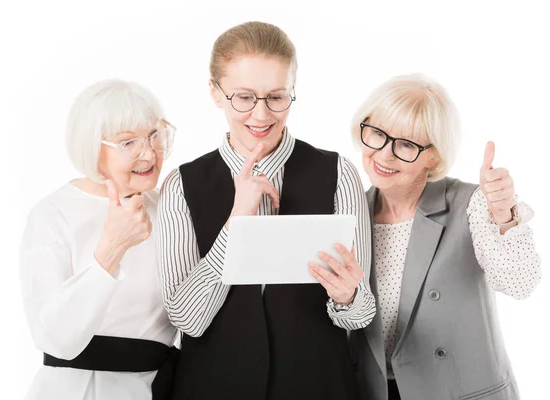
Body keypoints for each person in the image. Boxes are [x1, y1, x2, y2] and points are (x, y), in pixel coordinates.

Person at [157, 21, 375, 400]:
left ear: (293, 91)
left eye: (276, 97)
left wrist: (347, 297)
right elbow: (188, 319)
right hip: (212, 388)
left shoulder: (339, 173)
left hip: (319, 386)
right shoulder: (180, 185)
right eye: (244, 97)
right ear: (215, 93)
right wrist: (236, 222)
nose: (261, 116)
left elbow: (361, 315)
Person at [344, 73, 541, 400]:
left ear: (434, 156)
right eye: (377, 133)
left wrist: (505, 216)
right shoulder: (350, 213)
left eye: (406, 144)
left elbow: (520, 283)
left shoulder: (472, 204)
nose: (384, 154)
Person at [20, 79, 178, 400]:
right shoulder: (52, 215)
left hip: (159, 388)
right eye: (128, 142)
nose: (148, 153)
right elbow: (56, 339)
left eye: (154, 135)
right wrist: (111, 250)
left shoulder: (170, 208)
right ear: (93, 148)